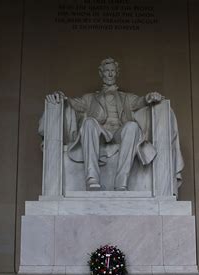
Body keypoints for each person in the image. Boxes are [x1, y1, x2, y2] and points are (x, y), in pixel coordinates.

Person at [45, 57, 164, 191]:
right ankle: (92, 178)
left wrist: (150, 97)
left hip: (119, 133)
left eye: (113, 70)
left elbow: (141, 101)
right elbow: (72, 103)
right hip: (100, 133)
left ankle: (121, 181)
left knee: (132, 126)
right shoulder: (89, 98)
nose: (110, 74)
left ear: (117, 73)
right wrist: (60, 96)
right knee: (89, 122)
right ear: (101, 73)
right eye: (107, 71)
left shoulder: (126, 97)